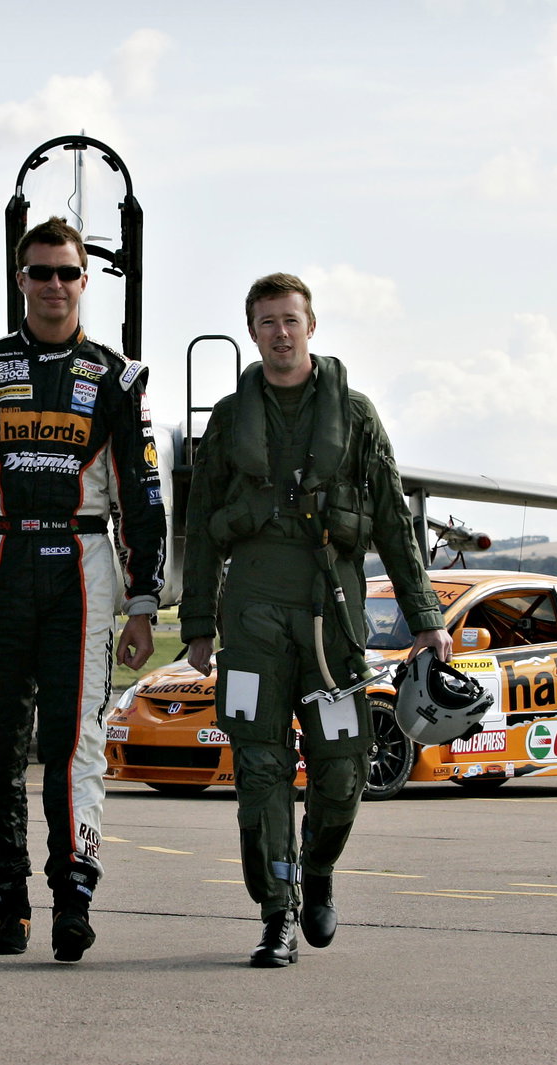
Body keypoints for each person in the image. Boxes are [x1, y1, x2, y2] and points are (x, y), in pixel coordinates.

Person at [0, 216, 166, 963]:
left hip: (83, 562)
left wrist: (144, 601)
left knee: (74, 743)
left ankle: (74, 894)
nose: (55, 284)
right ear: (20, 280)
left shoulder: (118, 379)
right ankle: (8, 895)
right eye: (41, 272)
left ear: (87, 281)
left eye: (68, 273)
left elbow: (143, 499)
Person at [180, 273, 450, 968]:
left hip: (332, 622)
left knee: (340, 770)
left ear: (311, 325)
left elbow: (393, 517)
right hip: (252, 622)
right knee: (261, 772)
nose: (280, 332)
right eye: (267, 321)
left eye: (290, 319)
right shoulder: (229, 421)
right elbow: (202, 528)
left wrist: (426, 618)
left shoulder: (355, 417)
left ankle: (319, 863)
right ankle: (278, 915)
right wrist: (199, 626)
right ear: (253, 331)